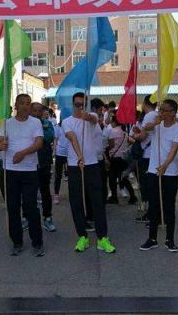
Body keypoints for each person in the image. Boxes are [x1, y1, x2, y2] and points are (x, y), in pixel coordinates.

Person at [63, 92, 116, 254]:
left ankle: (102, 238)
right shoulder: (66, 121)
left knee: (97, 201)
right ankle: (82, 236)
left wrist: (87, 116)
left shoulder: (91, 117)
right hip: (75, 166)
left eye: (83, 104)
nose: (80, 107)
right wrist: (79, 156)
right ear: (73, 104)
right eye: (77, 104)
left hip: (92, 165)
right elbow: (72, 138)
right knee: (76, 201)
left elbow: (93, 119)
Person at [0, 94, 45, 257]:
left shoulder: (35, 122)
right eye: (22, 103)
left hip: (29, 170)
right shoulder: (7, 123)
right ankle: (17, 242)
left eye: (28, 103)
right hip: (10, 170)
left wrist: (23, 153)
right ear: (16, 105)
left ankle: (37, 242)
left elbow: (39, 143)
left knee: (31, 207)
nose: (25, 106)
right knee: (13, 207)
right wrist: (0, 145)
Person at [139, 99, 178, 253]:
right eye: (160, 110)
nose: (161, 113)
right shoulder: (157, 126)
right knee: (153, 205)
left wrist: (165, 165)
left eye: (164, 110)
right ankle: (152, 238)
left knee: (169, 205)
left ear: (173, 112)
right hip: (153, 171)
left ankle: (170, 239)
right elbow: (145, 130)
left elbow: (174, 149)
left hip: (170, 172)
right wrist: (154, 123)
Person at [130, 95, 158, 222]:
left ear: (145, 104)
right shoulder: (156, 115)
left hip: (147, 155)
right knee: (152, 184)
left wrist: (134, 136)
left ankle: (150, 213)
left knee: (147, 185)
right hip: (153, 154)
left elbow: (142, 137)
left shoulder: (149, 116)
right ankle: (152, 211)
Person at [31, 102, 56, 232]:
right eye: (34, 110)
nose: (36, 113)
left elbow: (49, 137)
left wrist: (39, 130)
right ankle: (27, 217)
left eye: (39, 111)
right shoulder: (26, 124)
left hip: (44, 163)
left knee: (45, 191)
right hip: (29, 164)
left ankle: (47, 217)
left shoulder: (47, 123)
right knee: (29, 192)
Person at [107, 111, 137, 205]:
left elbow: (111, 145)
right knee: (123, 178)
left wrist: (108, 149)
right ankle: (133, 196)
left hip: (114, 158)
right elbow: (132, 141)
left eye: (112, 122)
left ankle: (114, 197)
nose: (111, 124)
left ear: (114, 122)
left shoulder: (112, 131)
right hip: (123, 158)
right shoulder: (124, 133)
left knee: (112, 178)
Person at [53, 120, 69, 205]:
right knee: (58, 175)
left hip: (69, 154)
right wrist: (54, 151)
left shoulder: (70, 126)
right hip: (59, 153)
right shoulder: (57, 128)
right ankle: (56, 194)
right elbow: (55, 140)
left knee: (70, 174)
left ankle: (73, 194)